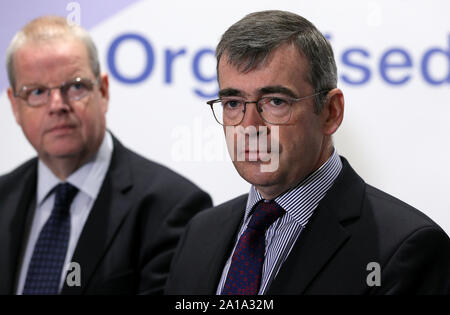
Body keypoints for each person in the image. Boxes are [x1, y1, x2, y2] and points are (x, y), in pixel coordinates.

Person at [165, 10, 450, 294]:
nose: (249, 126)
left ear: (330, 112)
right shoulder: (199, 233)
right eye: (233, 103)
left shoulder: (405, 247)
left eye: (275, 101)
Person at [0, 16, 212, 295]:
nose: (57, 105)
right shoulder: (4, 196)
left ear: (103, 90)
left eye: (75, 86)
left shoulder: (171, 207)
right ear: (15, 106)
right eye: (37, 92)